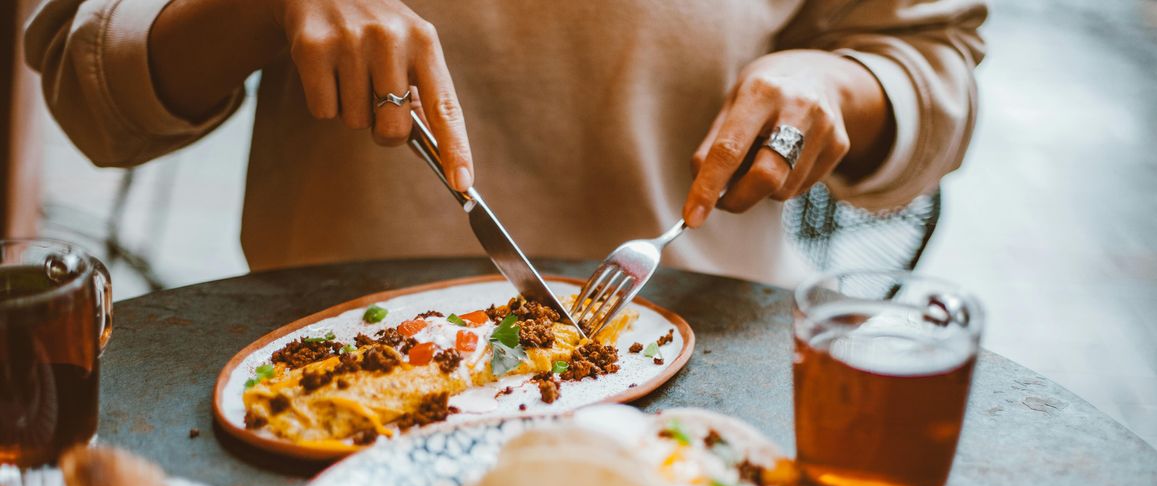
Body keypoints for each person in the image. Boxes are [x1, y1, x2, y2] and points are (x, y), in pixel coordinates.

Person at [25, 0, 986, 287]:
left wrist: (841, 85)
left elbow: (930, 57)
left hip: (703, 399)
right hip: (327, 402)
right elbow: (82, 78)